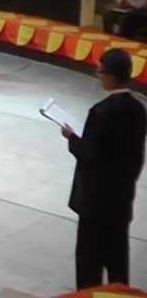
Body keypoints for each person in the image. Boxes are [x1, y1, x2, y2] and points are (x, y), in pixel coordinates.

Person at [60, 48, 147, 289]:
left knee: (89, 263)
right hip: (121, 199)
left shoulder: (101, 111)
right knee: (118, 261)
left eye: (100, 70)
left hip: (95, 202)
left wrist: (72, 138)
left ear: (109, 74)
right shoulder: (139, 109)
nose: (98, 74)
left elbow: (90, 154)